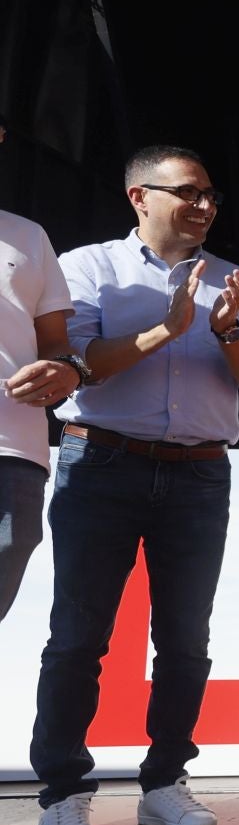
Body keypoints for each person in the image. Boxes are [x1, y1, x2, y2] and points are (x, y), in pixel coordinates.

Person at [31, 145, 239, 825]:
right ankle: (62, 794)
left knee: (184, 640)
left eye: (210, 195)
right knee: (78, 636)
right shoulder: (87, 268)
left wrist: (226, 328)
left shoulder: (235, 280)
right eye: (188, 192)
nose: (203, 205)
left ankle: (166, 781)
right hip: (100, 460)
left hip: (199, 473)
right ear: (139, 196)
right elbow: (77, 368)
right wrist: (166, 328)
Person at [1, 203, 83, 624]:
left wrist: (66, 369)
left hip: (13, 444)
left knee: (12, 543)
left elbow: (54, 341)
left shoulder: (29, 236)